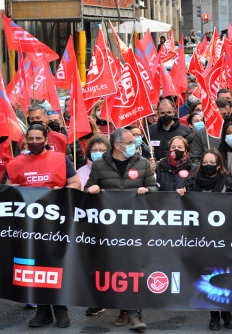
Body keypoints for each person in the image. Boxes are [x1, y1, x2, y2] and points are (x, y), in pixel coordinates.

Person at [4, 124, 81, 328]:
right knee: (35, 266)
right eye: (31, 139)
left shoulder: (60, 159)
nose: (35, 142)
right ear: (26, 140)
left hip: (56, 223)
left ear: (46, 140)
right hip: (28, 225)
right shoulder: (16, 163)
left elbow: (76, 184)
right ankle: (42, 310)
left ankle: (61, 309)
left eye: (39, 138)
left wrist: (62, 190)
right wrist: (11, 189)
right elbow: (6, 190)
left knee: (56, 264)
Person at [87, 128, 157, 332]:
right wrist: (92, 190)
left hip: (136, 227)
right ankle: (124, 310)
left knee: (134, 268)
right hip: (111, 229)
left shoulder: (142, 163)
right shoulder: (100, 165)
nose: (134, 143)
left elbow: (155, 188)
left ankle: (135, 313)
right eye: (129, 141)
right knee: (117, 268)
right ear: (117, 145)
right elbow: (89, 189)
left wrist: (147, 190)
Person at [185, 149, 232, 330]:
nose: (208, 165)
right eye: (204, 162)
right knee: (208, 276)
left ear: (219, 165)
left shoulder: (227, 181)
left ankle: (227, 312)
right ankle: (214, 314)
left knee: (225, 275)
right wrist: (181, 194)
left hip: (224, 237)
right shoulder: (192, 182)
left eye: (211, 162)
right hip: (202, 238)